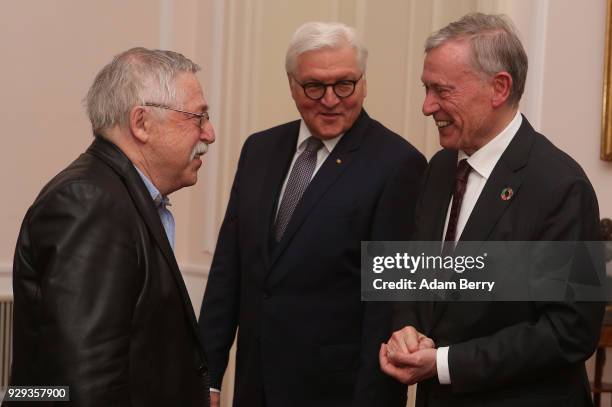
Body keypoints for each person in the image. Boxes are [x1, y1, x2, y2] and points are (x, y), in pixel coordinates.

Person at [379, 13, 604, 407]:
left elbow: (570, 331)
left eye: (441, 90)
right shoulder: (439, 169)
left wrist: (444, 363)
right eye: (425, 89)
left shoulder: (561, 186)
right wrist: (407, 328)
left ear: (498, 87)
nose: (427, 106)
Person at [198, 22, 426, 407]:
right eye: (314, 87)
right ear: (292, 85)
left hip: (334, 392)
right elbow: (227, 274)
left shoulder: (398, 165)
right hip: (255, 386)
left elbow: (387, 307)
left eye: (345, 84)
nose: (331, 99)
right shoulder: (259, 149)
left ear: (363, 82)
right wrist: (207, 378)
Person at [6, 47, 215, 407]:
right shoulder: (90, 203)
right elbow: (83, 381)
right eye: (198, 117)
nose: (209, 134)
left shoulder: (119, 196)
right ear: (141, 123)